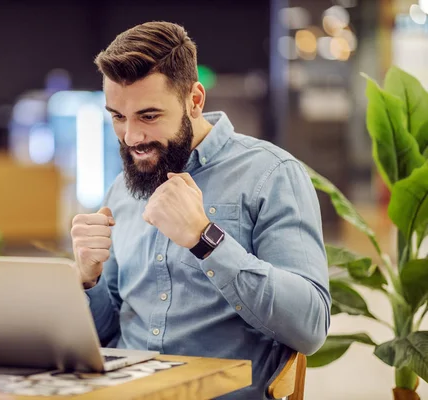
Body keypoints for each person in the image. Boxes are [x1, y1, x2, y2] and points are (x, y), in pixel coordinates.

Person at [70, 21, 330, 399]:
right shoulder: (123, 188)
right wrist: (87, 280)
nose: (131, 137)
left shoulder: (272, 175)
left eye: (149, 116)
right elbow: (108, 332)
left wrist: (205, 239)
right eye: (117, 117)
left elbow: (310, 326)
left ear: (194, 100)